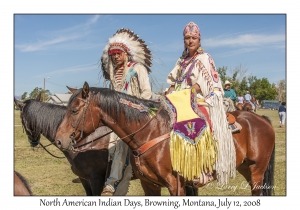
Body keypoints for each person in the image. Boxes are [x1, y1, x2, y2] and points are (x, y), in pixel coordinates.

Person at [166, 22, 236, 185]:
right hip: (180, 98)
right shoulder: (181, 61)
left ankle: (206, 168)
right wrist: (169, 91)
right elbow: (173, 81)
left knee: (199, 118)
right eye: (187, 38)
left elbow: (207, 82)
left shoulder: (204, 58)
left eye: (193, 38)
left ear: (199, 40)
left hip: (202, 98)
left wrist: (192, 90)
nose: (190, 41)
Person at [100, 28, 153, 196]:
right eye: (112, 54)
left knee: (121, 144)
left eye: (118, 53)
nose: (115, 56)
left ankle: (111, 183)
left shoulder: (138, 68)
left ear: (125, 53)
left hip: (139, 114)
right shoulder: (114, 74)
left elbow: (147, 93)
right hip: (119, 118)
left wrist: (134, 110)